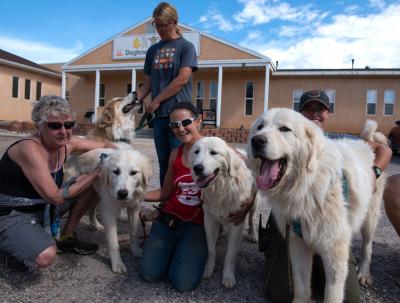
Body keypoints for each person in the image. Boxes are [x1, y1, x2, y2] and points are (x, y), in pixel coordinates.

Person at [261, 90, 392, 303]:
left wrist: (374, 172)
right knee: (280, 295)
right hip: (293, 222)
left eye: (319, 109)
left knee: (349, 296)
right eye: (308, 109)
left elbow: (383, 149)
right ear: (299, 114)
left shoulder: (341, 139)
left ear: (328, 113)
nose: (314, 114)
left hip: (332, 221)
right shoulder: (290, 136)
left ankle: (365, 260)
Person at [0, 95, 114, 272]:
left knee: (89, 185)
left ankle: (66, 237)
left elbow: (106, 144)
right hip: (13, 213)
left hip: (41, 207)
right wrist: (95, 173)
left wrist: (125, 155)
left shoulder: (67, 144)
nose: (63, 131)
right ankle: (10, 248)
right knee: (46, 256)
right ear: (39, 126)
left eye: (68, 125)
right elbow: (55, 197)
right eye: (55, 126)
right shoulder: (30, 149)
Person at [140, 101, 208, 292]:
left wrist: (247, 202)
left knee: (183, 283)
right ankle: (176, 249)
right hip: (170, 217)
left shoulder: (214, 147)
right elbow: (165, 193)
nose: (180, 129)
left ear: (198, 121)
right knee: (150, 273)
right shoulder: (174, 154)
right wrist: (136, 195)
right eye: (174, 125)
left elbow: (243, 164)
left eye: (185, 122)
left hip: (198, 224)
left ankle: (184, 252)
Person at [136, 2, 198, 186]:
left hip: (180, 119)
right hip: (160, 118)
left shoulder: (186, 47)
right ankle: (165, 208)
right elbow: (148, 82)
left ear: (174, 21)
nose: (160, 29)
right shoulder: (152, 50)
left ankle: (185, 206)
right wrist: (131, 101)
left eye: (163, 24)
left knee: (183, 162)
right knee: (165, 164)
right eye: (156, 25)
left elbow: (182, 79)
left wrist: (156, 100)